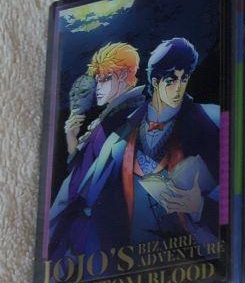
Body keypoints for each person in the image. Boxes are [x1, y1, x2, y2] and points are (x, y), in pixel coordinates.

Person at [48, 37, 220, 266]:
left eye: (184, 78)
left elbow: (236, 197)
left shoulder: (209, 120)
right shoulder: (121, 127)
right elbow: (80, 188)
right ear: (155, 80)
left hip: (190, 257)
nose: (178, 87)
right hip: (123, 258)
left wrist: (200, 207)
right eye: (171, 79)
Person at [64, 42, 140, 159]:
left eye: (105, 79)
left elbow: (86, 165)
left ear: (123, 75)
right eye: (98, 81)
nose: (98, 87)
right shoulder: (112, 114)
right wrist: (71, 137)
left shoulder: (126, 116)